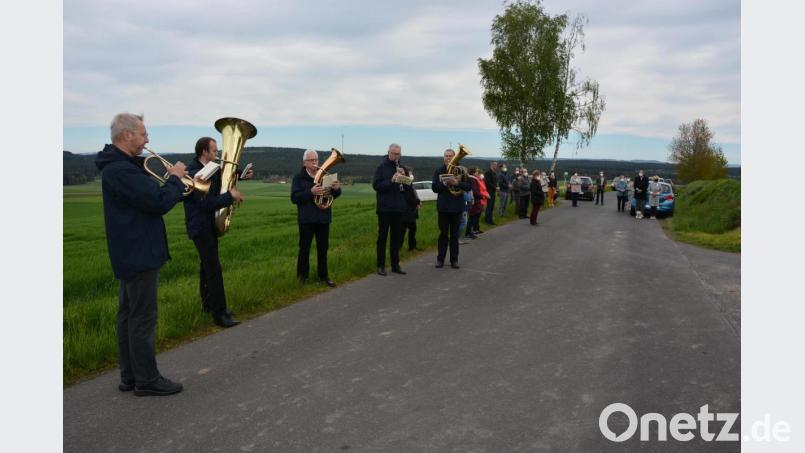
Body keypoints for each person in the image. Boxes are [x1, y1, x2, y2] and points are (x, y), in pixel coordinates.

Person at [95, 113, 186, 396]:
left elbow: (148, 198)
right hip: (139, 251)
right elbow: (156, 201)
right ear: (127, 135)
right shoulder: (121, 170)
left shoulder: (121, 166)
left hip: (131, 250)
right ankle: (146, 380)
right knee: (142, 319)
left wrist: (176, 188)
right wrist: (174, 179)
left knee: (128, 316)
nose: (148, 140)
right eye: (144, 134)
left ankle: (130, 376)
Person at [183, 137, 249, 328]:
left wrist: (241, 175)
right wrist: (231, 196)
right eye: (214, 151)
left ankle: (208, 305)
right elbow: (206, 203)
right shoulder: (195, 173)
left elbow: (223, 179)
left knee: (206, 267)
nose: (217, 154)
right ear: (204, 152)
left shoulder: (211, 168)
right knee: (213, 270)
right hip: (200, 226)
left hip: (208, 225)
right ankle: (220, 314)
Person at [291, 149, 342, 287]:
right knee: (304, 249)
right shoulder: (298, 178)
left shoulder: (326, 176)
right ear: (304, 162)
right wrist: (310, 192)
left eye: (316, 160)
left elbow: (332, 196)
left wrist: (337, 189)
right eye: (311, 160)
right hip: (306, 219)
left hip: (323, 218)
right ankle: (302, 278)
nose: (315, 163)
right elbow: (294, 198)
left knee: (323, 248)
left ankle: (323, 276)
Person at [432, 148, 472, 268]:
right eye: (446, 156)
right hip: (443, 208)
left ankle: (454, 260)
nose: (448, 158)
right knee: (443, 235)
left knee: (454, 235)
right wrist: (445, 183)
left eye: (450, 156)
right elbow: (434, 188)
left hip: (456, 207)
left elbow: (469, 186)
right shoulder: (439, 170)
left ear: (455, 157)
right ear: (443, 157)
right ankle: (440, 260)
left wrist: (457, 183)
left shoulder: (461, 170)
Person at [372, 143, 407, 276]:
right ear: (388, 153)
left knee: (396, 238)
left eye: (398, 154)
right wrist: (391, 180)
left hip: (398, 208)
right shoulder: (381, 167)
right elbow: (376, 185)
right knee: (382, 237)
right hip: (384, 208)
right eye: (394, 154)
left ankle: (395, 265)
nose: (396, 156)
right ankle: (380, 266)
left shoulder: (402, 167)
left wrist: (405, 178)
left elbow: (408, 189)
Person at [399, 165, 421, 251]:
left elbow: (413, 193)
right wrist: (417, 201)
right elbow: (408, 196)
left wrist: (417, 201)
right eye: (409, 172)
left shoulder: (408, 182)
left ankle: (411, 247)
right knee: (404, 230)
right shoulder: (404, 181)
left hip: (410, 210)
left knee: (411, 229)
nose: (411, 174)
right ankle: (402, 247)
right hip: (406, 210)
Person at [466, 168, 483, 238]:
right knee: (472, 217)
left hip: (475, 200)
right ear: (473, 173)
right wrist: (481, 196)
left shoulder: (472, 179)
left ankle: (471, 231)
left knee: (473, 217)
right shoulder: (472, 180)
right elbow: (475, 191)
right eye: (476, 172)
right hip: (474, 201)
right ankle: (468, 233)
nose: (478, 173)